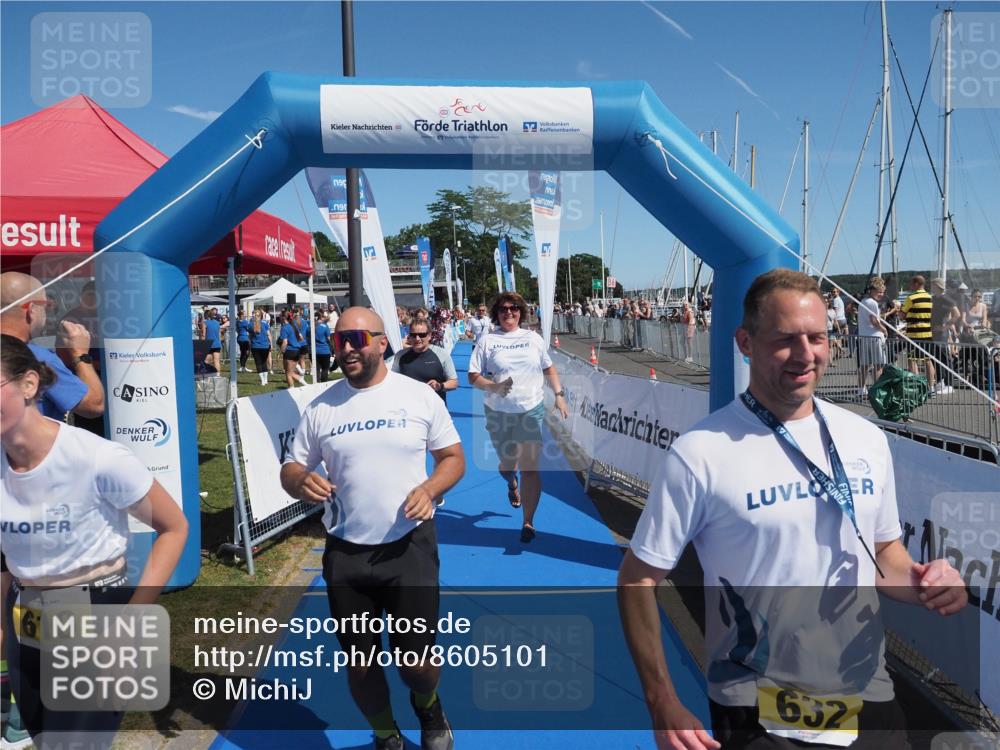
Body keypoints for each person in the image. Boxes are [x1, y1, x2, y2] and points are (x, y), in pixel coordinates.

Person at [617, 269, 967, 750]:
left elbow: (884, 551)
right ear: (745, 342)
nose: (806, 355)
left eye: (817, 337)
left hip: (868, 693)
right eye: (785, 339)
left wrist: (928, 582)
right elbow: (637, 579)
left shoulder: (865, 438)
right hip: (760, 709)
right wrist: (661, 699)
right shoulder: (701, 453)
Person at [279, 307, 464, 750]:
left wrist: (430, 488)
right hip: (346, 552)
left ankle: (429, 704)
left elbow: (454, 459)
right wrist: (300, 481)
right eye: (339, 339)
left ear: (383, 343)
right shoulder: (321, 406)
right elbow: (290, 469)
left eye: (357, 338)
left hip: (408, 546)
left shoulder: (418, 396)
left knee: (415, 661)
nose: (345, 348)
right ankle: (386, 734)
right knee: (360, 664)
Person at [0, 335, 188, 750]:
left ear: (29, 385)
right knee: (40, 735)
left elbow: (174, 527)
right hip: (25, 613)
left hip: (93, 611)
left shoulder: (97, 457)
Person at [467, 292, 569, 543]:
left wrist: (558, 394)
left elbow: (548, 367)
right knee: (507, 465)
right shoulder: (488, 341)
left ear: (521, 312)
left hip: (530, 410)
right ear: (496, 313)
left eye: (513, 308)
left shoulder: (533, 338)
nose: (508, 312)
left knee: (531, 468)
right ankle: (511, 482)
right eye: (503, 309)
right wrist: (492, 387)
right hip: (499, 412)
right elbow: (473, 375)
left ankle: (528, 522)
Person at [0, 271, 104, 423]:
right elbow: (94, 405)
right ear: (32, 310)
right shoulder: (37, 358)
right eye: (45, 306)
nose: (46, 314)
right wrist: (81, 354)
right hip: (29, 445)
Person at [902, 275, 936, 391]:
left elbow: (902, 314)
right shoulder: (930, 297)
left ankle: (917, 386)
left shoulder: (911, 298)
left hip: (914, 333)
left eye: (911, 284)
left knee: (912, 360)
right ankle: (931, 387)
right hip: (927, 332)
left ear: (916, 284)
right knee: (928, 360)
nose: (910, 286)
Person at [857, 279, 888, 397]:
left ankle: (861, 390)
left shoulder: (863, 301)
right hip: (874, 337)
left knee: (864, 365)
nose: (881, 294)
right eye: (879, 292)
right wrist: (884, 329)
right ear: (872, 291)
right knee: (878, 365)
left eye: (882, 292)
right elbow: (874, 321)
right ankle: (877, 391)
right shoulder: (872, 303)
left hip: (864, 336)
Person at [277, 311, 307, 388]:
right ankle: (299, 385)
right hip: (297, 350)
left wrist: (279, 353)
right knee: (290, 372)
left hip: (290, 351)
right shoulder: (293, 326)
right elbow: (301, 337)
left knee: (288, 373)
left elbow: (285, 342)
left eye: (280, 316)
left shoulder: (284, 327)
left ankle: (293, 388)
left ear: (283, 318)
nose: (279, 318)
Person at [249, 309, 272, 386]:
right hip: (265, 346)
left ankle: (262, 380)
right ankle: (265, 380)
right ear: (261, 316)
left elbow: (250, 336)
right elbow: (269, 335)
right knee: (264, 362)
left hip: (255, 346)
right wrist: (271, 344)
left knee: (258, 363)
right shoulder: (265, 324)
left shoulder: (250, 325)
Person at [313, 311, 336, 382]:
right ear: (322, 317)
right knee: (325, 368)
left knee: (316, 368)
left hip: (315, 350)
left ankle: (316, 382)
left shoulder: (312, 326)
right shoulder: (325, 326)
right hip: (325, 350)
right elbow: (329, 339)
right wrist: (332, 348)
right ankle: (324, 382)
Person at [203, 308, 223, 374]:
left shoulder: (205, 323)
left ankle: (206, 375)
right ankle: (218, 375)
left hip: (209, 344)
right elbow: (219, 334)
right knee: (216, 361)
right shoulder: (217, 323)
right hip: (217, 344)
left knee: (206, 361)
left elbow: (203, 335)